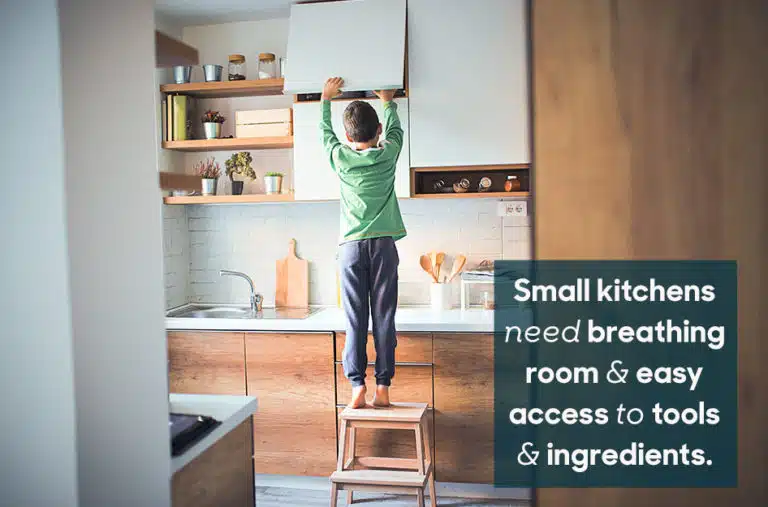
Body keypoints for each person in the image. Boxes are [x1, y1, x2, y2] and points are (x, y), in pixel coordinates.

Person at [320, 77, 406, 408]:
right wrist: (388, 100)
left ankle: (357, 386)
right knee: (384, 316)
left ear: (348, 136)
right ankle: (382, 387)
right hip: (383, 246)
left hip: (351, 248)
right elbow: (397, 133)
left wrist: (326, 100)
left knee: (356, 318)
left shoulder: (340, 158)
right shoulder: (388, 155)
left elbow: (325, 137)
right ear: (378, 131)